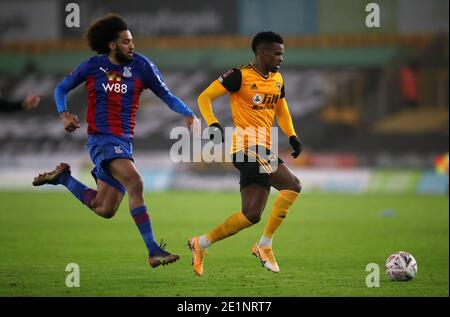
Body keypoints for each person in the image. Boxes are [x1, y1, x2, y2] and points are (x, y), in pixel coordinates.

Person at [32, 13, 198, 269]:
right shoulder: (91, 66)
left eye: (132, 41)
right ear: (111, 44)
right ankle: (153, 251)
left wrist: (187, 113)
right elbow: (61, 89)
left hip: (123, 142)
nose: (132, 46)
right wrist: (63, 114)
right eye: (126, 42)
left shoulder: (143, 66)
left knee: (104, 208)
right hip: (102, 140)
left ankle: (64, 177)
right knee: (136, 182)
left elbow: (167, 95)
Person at [188, 31, 302, 276]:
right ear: (261, 52)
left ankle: (201, 243)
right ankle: (265, 245)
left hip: (263, 149)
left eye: (282, 53)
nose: (281, 58)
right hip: (245, 148)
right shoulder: (239, 75)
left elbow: (281, 109)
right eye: (277, 53)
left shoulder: (277, 79)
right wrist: (213, 123)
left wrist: (292, 135)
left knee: (251, 215)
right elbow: (204, 97)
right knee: (293, 185)